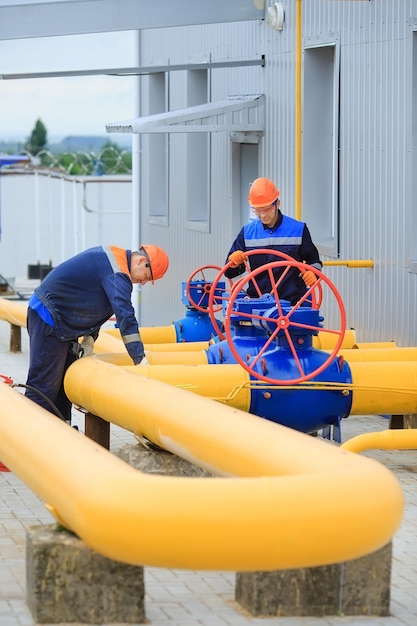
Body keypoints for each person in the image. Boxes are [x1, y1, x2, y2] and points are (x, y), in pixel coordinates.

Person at [24, 244, 169, 423]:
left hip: (62, 322)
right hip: (48, 317)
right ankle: (29, 437)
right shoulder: (117, 271)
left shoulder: (115, 267)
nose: (144, 282)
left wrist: (90, 339)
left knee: (64, 384)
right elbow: (125, 316)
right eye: (147, 277)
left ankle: (61, 433)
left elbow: (94, 302)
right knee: (44, 386)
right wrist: (139, 358)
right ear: (141, 261)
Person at [225, 177, 322, 303]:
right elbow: (229, 272)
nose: (263, 214)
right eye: (257, 210)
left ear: (277, 203)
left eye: (267, 209)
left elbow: (314, 261)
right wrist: (234, 262)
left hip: (291, 306)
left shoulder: (298, 230)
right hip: (257, 304)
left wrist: (312, 273)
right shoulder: (247, 233)